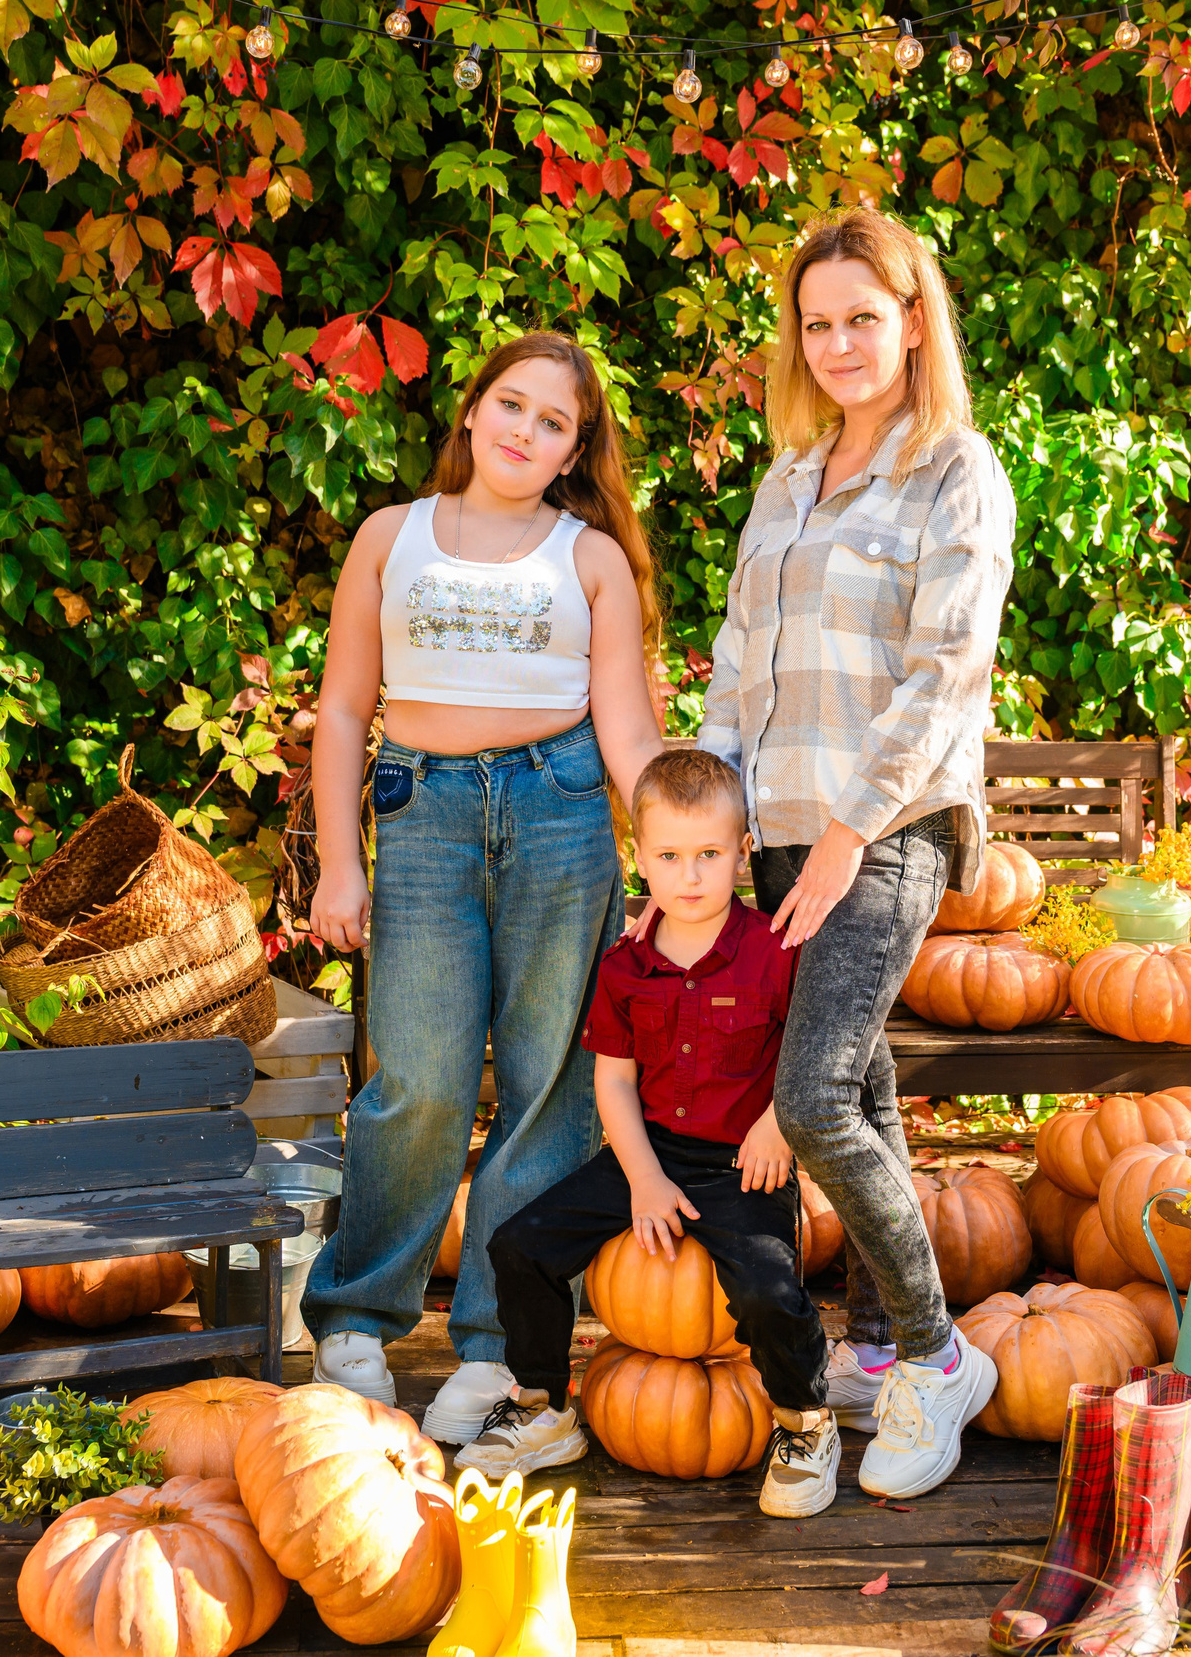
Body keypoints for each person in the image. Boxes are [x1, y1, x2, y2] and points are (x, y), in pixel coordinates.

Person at [698, 207, 1016, 1500]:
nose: (837, 343)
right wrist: (714, 816)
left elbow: (947, 677)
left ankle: (938, 1355)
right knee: (867, 1090)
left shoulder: (956, 473)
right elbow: (737, 660)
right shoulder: (789, 476)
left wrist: (845, 835)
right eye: (817, 322)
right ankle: (880, 1344)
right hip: (777, 831)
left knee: (815, 1097)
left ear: (914, 321)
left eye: (862, 319)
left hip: (886, 832)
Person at [303, 331, 663, 1445]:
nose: (524, 430)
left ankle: (501, 1339)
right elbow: (345, 710)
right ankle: (357, 1314)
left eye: (553, 423)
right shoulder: (390, 536)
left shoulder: (590, 559)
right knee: (416, 1074)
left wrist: (674, 867)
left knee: (550, 1080)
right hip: (425, 813)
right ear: (471, 410)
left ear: (572, 453)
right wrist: (340, 860)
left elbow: (629, 730)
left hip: (561, 811)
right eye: (511, 404)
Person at [458, 749, 838, 1516]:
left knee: (767, 1289)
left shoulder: (776, 950)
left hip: (745, 1158)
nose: (689, 875)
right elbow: (615, 1082)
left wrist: (778, 1127)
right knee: (520, 1244)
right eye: (669, 856)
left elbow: (815, 1052)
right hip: (651, 1148)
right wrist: (643, 1178)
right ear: (640, 857)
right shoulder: (625, 965)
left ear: (742, 852)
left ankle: (806, 1421)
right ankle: (543, 1407)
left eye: (709, 855)